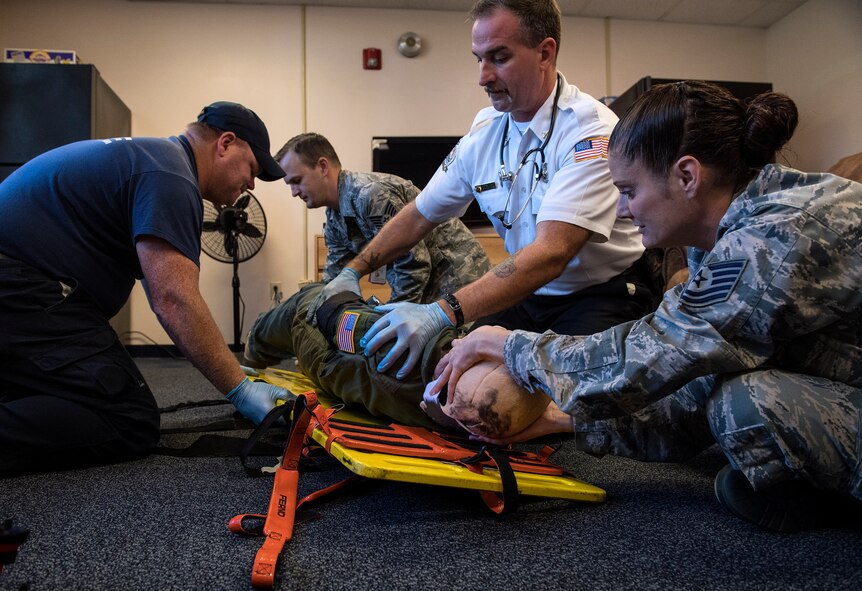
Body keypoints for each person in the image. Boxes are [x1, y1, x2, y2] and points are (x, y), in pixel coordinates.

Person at [433, 80, 862, 533]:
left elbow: (657, 352)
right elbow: (691, 373)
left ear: (687, 176)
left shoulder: (780, 234)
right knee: (728, 385)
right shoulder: (722, 236)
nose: (621, 210)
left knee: (749, 401)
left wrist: (511, 346)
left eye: (629, 190)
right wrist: (565, 422)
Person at [305, 0, 657, 381]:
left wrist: (441, 312)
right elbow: (421, 213)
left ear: (545, 52)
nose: (483, 77)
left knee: (536, 394)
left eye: (499, 58)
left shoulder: (591, 130)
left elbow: (552, 252)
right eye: (478, 59)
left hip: (602, 293)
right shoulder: (486, 131)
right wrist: (353, 270)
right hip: (527, 295)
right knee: (449, 378)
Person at [0, 101, 294, 475]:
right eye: (252, 169)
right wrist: (239, 388)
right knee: (127, 417)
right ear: (225, 144)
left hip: (22, 289)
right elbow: (173, 299)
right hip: (20, 290)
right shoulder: (171, 175)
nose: (250, 185)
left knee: (66, 392)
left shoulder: (154, 158)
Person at [245, 282, 550, 438]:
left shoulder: (400, 351)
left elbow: (327, 315)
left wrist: (338, 299)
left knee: (308, 302)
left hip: (329, 349)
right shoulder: (483, 419)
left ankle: (254, 350)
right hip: (349, 366)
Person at [276, 132, 491, 304]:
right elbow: (336, 277)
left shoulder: (370, 195)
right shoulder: (335, 217)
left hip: (459, 277)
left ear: (323, 167)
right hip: (430, 285)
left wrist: (393, 317)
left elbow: (414, 264)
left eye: (297, 180)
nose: (294, 192)